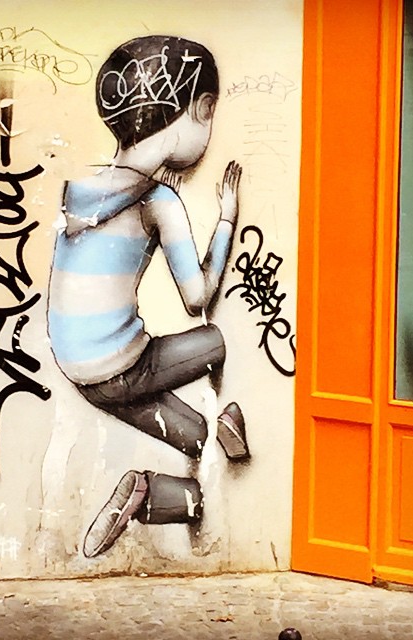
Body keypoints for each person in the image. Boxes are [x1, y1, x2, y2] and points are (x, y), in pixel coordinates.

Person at [47, 35, 248, 558]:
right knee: (220, 340)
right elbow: (197, 297)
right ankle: (234, 419)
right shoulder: (157, 200)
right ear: (200, 110)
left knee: (199, 437)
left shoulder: (80, 188)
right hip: (124, 365)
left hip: (82, 374)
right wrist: (226, 220)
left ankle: (147, 491)